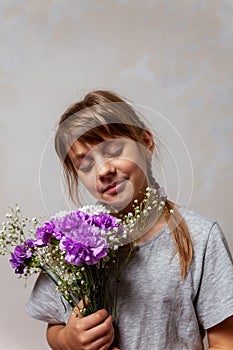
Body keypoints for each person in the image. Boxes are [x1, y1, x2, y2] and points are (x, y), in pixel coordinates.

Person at [26, 90, 233, 350]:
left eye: (114, 151)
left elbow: (225, 341)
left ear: (146, 142)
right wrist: (68, 340)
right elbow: (54, 327)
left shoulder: (202, 237)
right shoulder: (71, 244)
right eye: (87, 166)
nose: (104, 170)